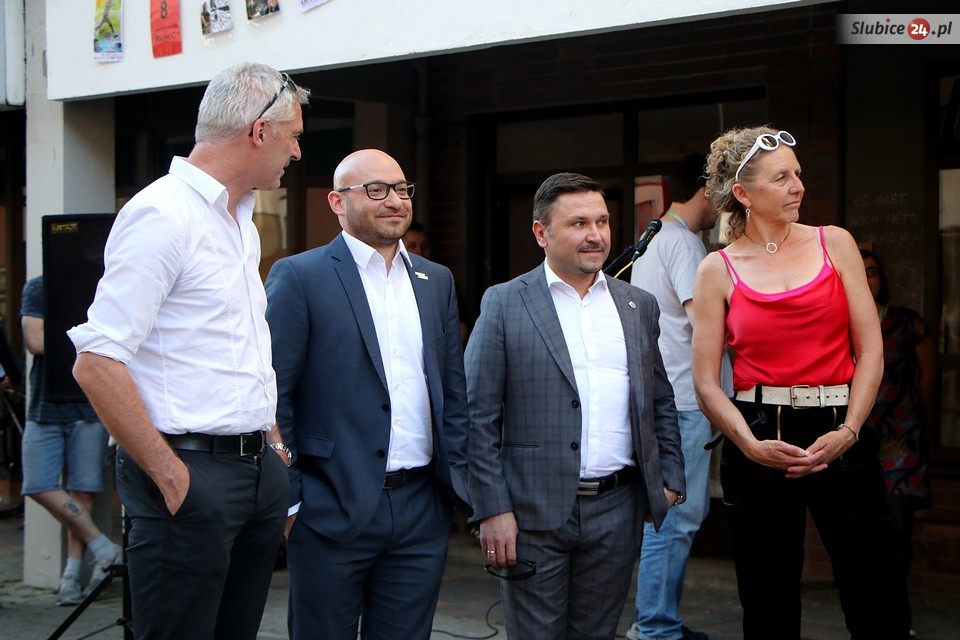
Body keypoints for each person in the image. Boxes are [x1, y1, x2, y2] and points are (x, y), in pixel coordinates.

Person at [68, 63, 309, 640]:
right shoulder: (162, 213)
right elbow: (96, 361)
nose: (298, 151)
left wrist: (274, 447)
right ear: (259, 131)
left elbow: (241, 350)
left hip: (253, 470)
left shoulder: (240, 219)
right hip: (190, 472)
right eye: (294, 135)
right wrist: (170, 475)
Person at [691, 126, 911, 639]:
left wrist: (850, 430)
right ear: (743, 194)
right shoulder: (716, 269)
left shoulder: (836, 242)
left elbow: (871, 350)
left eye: (798, 174)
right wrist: (749, 446)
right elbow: (705, 382)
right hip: (759, 432)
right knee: (767, 602)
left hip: (841, 426)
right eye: (782, 177)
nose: (798, 186)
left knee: (878, 595)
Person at [466, 172, 684, 640]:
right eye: (579, 223)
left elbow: (659, 399)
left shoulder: (637, 305)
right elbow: (477, 417)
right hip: (531, 512)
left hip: (617, 509)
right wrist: (491, 509)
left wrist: (669, 479)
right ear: (541, 233)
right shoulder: (504, 303)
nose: (596, 235)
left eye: (602, 221)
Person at [264, 149, 471, 640]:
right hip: (330, 506)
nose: (394, 200)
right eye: (376, 190)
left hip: (421, 507)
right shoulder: (300, 276)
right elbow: (273, 395)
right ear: (338, 202)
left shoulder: (435, 281)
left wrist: (456, 489)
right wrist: (292, 501)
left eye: (401, 189)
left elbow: (452, 394)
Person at [627, 154, 722, 640]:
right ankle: (656, 627)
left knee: (669, 514)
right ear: (707, 191)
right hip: (685, 398)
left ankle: (658, 623)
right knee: (677, 517)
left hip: (665, 395)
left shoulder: (654, 237)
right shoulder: (684, 243)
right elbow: (705, 321)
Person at [19, 275, 120, 606]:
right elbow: (36, 341)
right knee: (38, 484)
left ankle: (71, 577)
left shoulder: (102, 284)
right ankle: (104, 547)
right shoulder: (39, 286)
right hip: (44, 407)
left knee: (82, 491)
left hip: (89, 407)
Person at [861, 248, 935, 635]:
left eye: (873, 272)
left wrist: (907, 415)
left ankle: (895, 607)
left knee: (898, 520)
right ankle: (871, 602)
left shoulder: (907, 322)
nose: (867, 279)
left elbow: (927, 377)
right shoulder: (839, 320)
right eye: (859, 271)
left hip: (902, 435)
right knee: (864, 521)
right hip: (857, 434)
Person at [403, 220, 470, 343]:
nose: (419, 251)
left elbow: (461, 331)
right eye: (412, 246)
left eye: (425, 246)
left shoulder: (443, 282)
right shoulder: (391, 282)